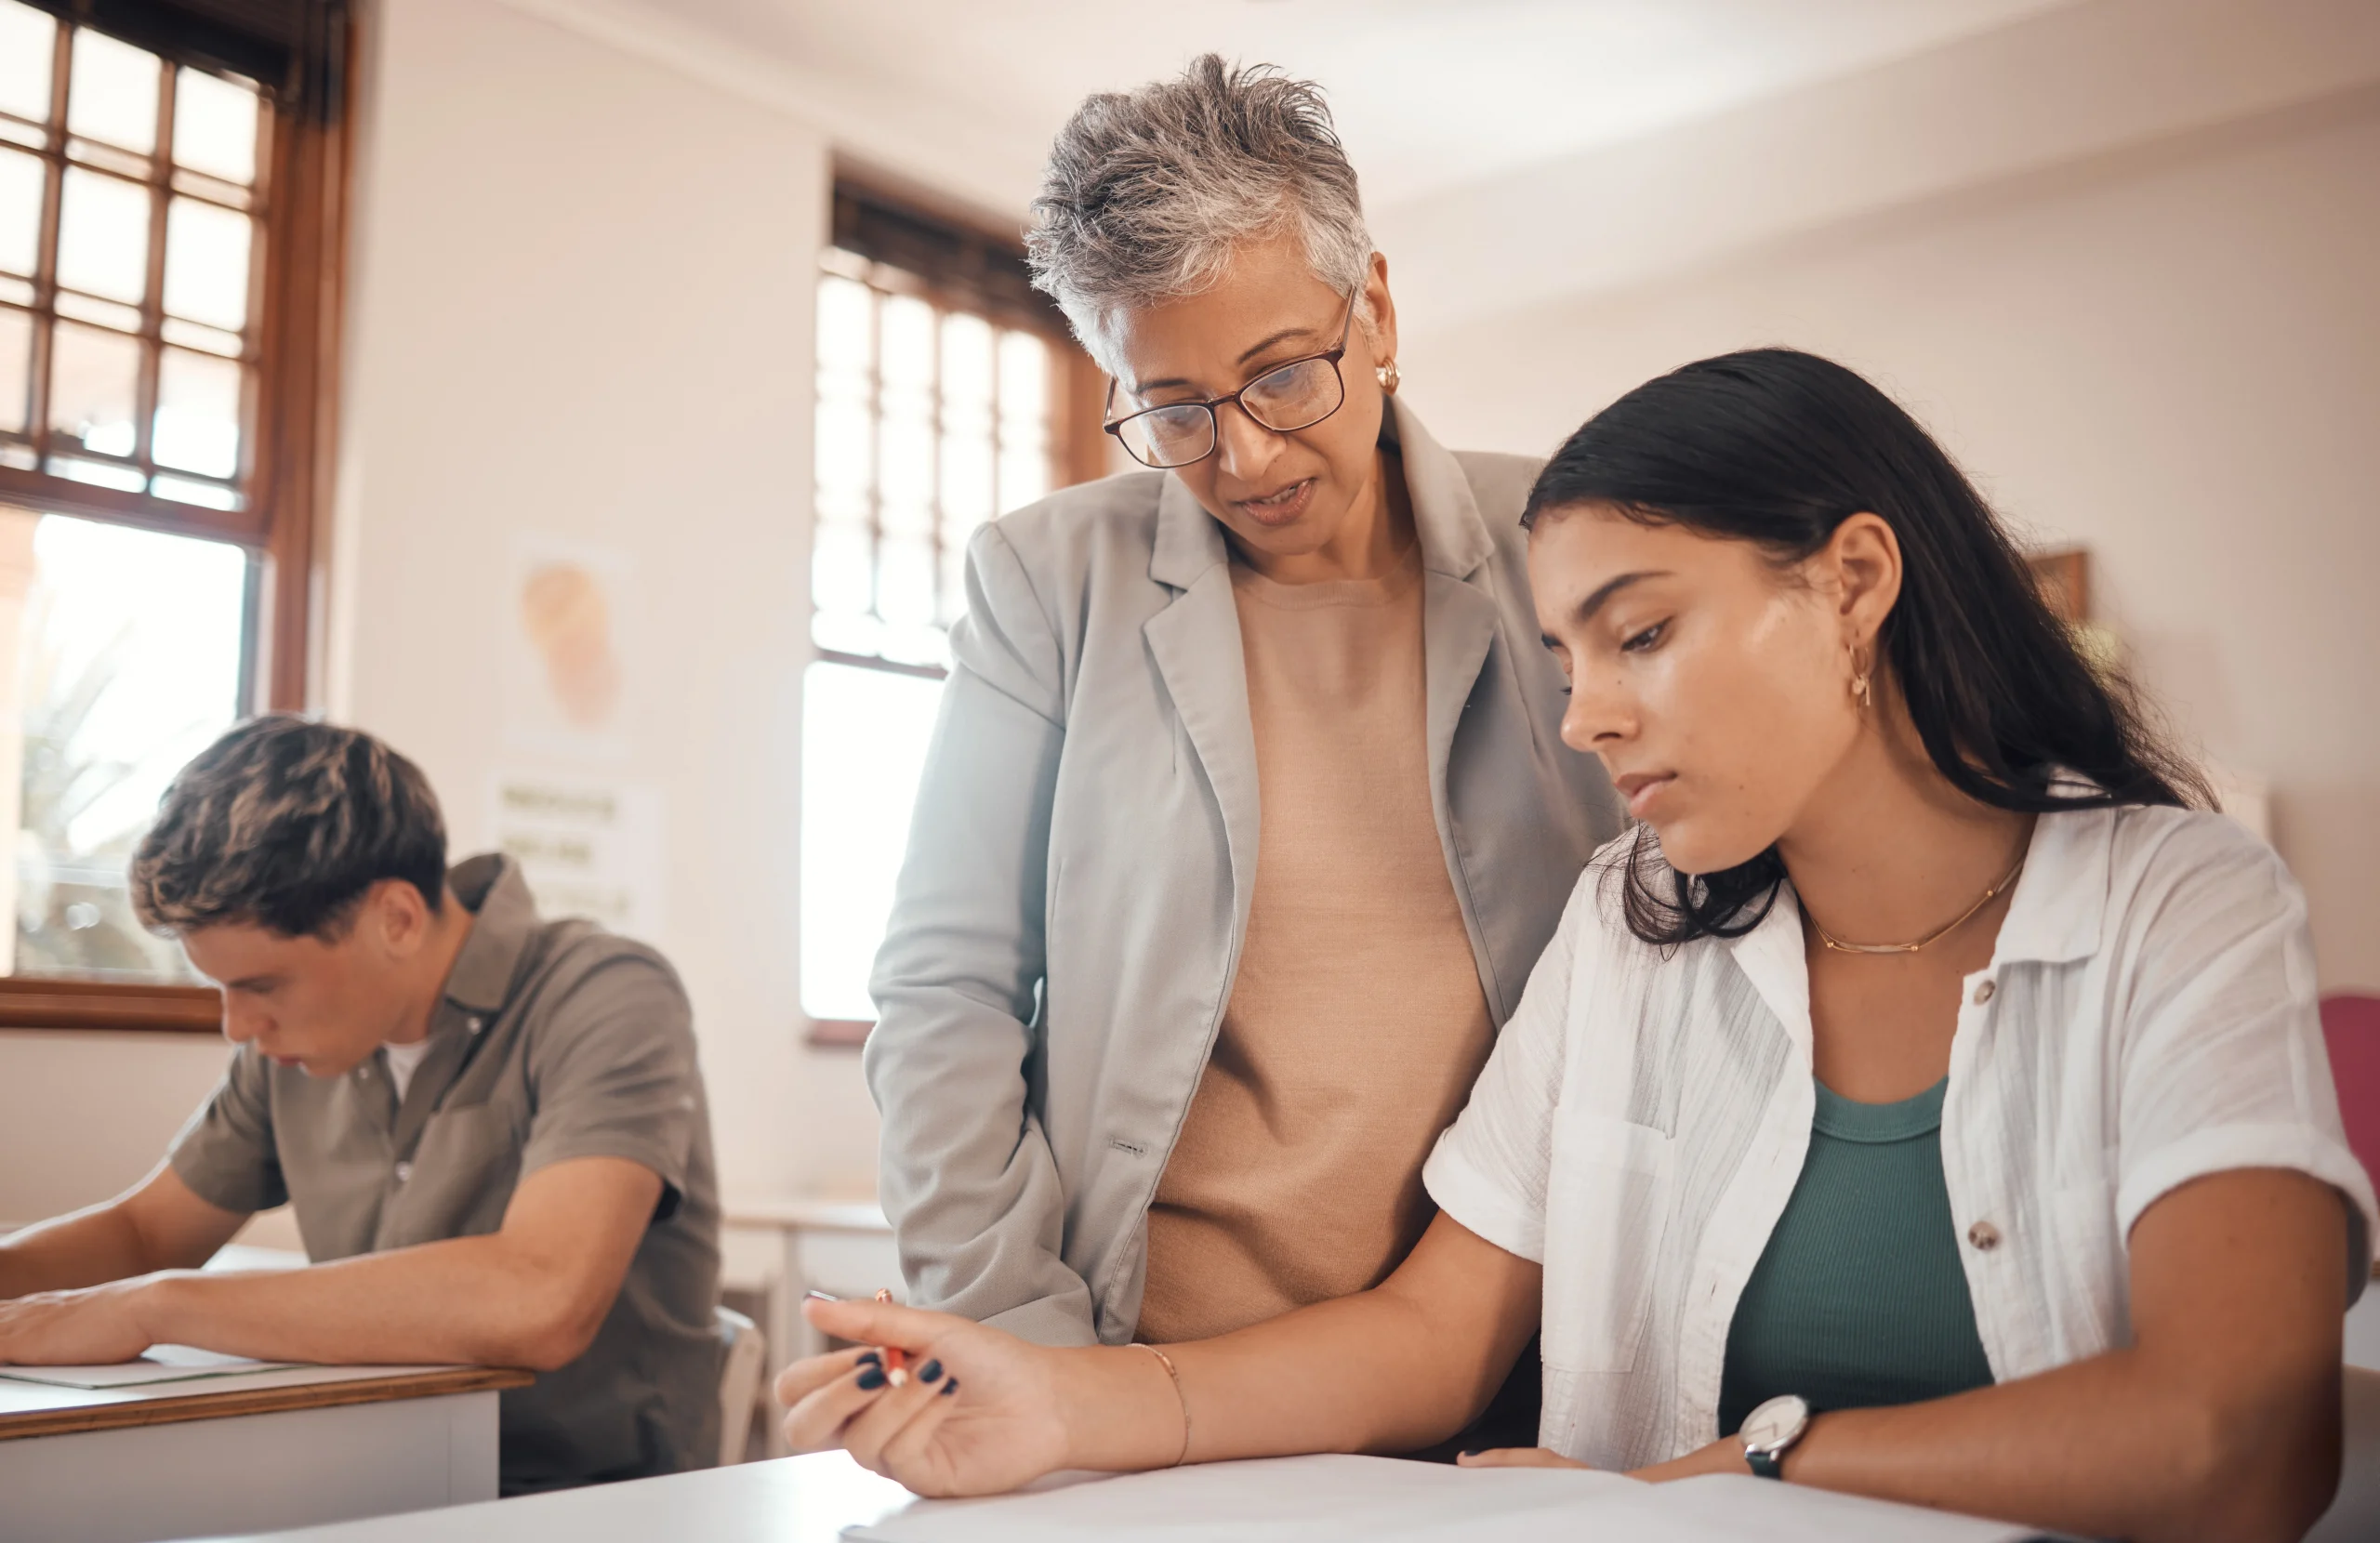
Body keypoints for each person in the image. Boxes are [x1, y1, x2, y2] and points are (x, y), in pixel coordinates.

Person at [778, 349, 2376, 1543]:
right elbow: (1433, 1334)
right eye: (1565, 656)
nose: (1585, 715)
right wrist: (1062, 1403)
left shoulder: (2184, 907)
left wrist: (1745, 1473)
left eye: (1644, 633)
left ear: (1853, 585)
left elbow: (2238, 1447)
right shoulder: (1634, 928)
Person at [861, 48, 1619, 1439]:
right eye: (1176, 410)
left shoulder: (1567, 547)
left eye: (1282, 378)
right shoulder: (1049, 584)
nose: (1247, 458)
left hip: (1509, 1379)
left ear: (1373, 311)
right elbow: (945, 988)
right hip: (1137, 1377)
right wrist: (1029, 1348)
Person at [0, 717, 723, 1494]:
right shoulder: (291, 1047)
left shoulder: (607, 995)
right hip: (369, 1475)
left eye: (262, 985)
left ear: (397, 920)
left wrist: (157, 1307)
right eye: (222, 989)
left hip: (585, 1505)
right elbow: (146, 1232)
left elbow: (542, 1295)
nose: (237, 1027)